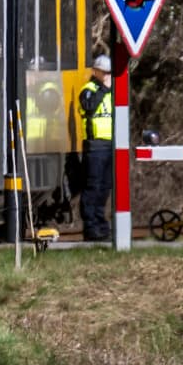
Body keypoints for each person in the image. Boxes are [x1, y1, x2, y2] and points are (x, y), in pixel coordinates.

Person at [77, 54, 114, 241]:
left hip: (110, 144)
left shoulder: (113, 91)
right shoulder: (88, 90)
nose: (107, 76)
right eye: (104, 73)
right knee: (93, 186)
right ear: (96, 72)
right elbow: (89, 106)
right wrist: (104, 89)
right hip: (95, 145)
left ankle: (101, 224)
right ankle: (90, 227)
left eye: (110, 73)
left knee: (105, 187)